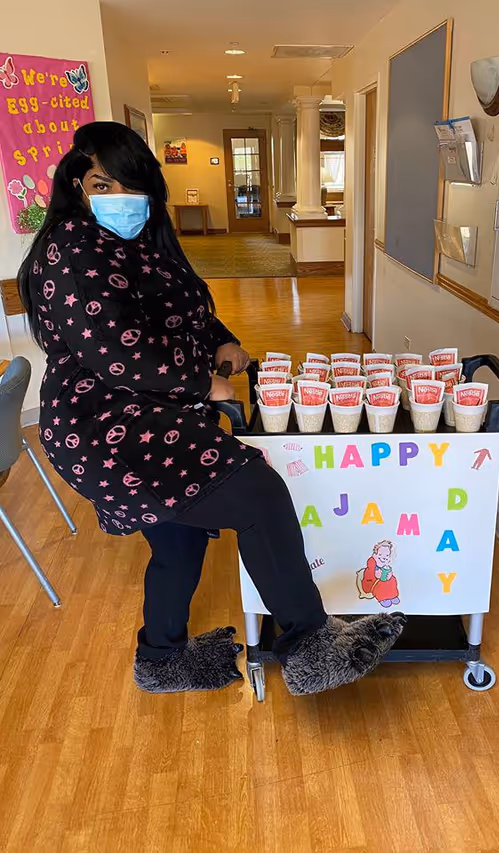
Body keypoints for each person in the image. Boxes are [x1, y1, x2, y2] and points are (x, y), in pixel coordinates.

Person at [17, 122, 405, 696]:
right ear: (76, 183)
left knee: (178, 538)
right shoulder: (72, 247)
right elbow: (117, 350)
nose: (120, 198)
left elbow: (183, 305)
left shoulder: (141, 239)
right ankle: (310, 646)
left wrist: (221, 339)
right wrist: (204, 382)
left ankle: (161, 659)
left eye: (132, 184)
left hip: (150, 416)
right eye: (103, 184)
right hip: (106, 425)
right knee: (259, 494)